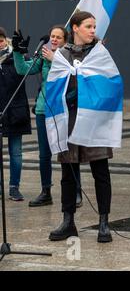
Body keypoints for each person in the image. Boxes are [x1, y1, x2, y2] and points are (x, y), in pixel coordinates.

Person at [47, 11, 123, 243]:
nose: (93, 30)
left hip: (94, 120)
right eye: (88, 26)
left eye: (94, 26)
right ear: (76, 28)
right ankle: (68, 221)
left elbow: (113, 85)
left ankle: (103, 222)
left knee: (101, 171)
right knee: (68, 173)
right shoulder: (62, 55)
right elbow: (53, 84)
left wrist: (84, 83)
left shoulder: (100, 53)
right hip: (68, 120)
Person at [13, 26, 83, 207]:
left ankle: (75, 191)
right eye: (52, 36)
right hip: (44, 111)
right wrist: (18, 52)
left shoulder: (71, 57)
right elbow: (22, 70)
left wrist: (56, 59)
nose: (54, 39)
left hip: (63, 111)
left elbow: (74, 77)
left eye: (58, 37)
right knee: (44, 155)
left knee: (67, 153)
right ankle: (46, 192)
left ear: (65, 40)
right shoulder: (44, 58)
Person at [0, 27, 31, 201]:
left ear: (5, 40)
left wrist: (21, 51)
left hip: (16, 111)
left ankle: (14, 187)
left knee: (16, 152)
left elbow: (26, 66)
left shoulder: (17, 57)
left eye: (1, 40)